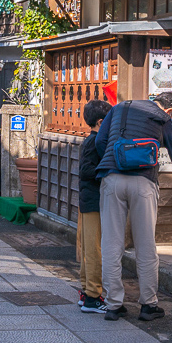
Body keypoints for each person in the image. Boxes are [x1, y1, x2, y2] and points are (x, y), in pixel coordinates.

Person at [94, 91, 172, 321]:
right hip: (143, 182)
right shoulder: (165, 120)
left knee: (111, 243)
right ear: (170, 111)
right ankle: (148, 305)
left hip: (112, 177)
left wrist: (116, 160)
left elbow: (100, 141)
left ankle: (112, 305)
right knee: (145, 244)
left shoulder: (120, 107)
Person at [76, 99, 112, 314]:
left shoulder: (91, 139)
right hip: (93, 201)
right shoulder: (95, 141)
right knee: (94, 250)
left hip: (88, 200)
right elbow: (86, 171)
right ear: (100, 122)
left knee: (88, 248)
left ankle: (85, 291)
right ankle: (93, 297)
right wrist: (107, 171)